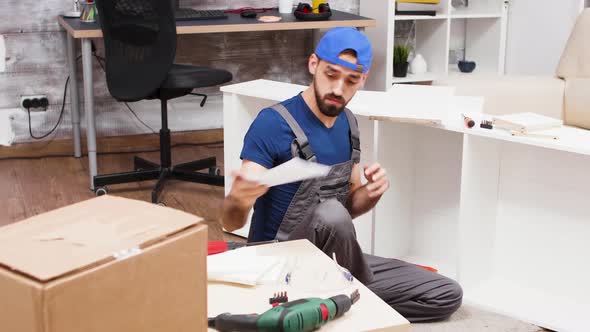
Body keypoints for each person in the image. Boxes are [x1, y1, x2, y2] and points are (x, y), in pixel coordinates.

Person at [222, 27, 462, 322]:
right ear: (313, 65)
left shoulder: (349, 124)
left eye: (350, 80)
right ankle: (344, 301)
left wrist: (370, 194)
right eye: (331, 74)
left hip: (330, 265)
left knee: (445, 294)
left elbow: (348, 210)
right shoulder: (272, 123)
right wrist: (239, 198)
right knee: (332, 213)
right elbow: (231, 220)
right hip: (276, 267)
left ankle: (335, 305)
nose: (338, 89)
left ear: (362, 79)